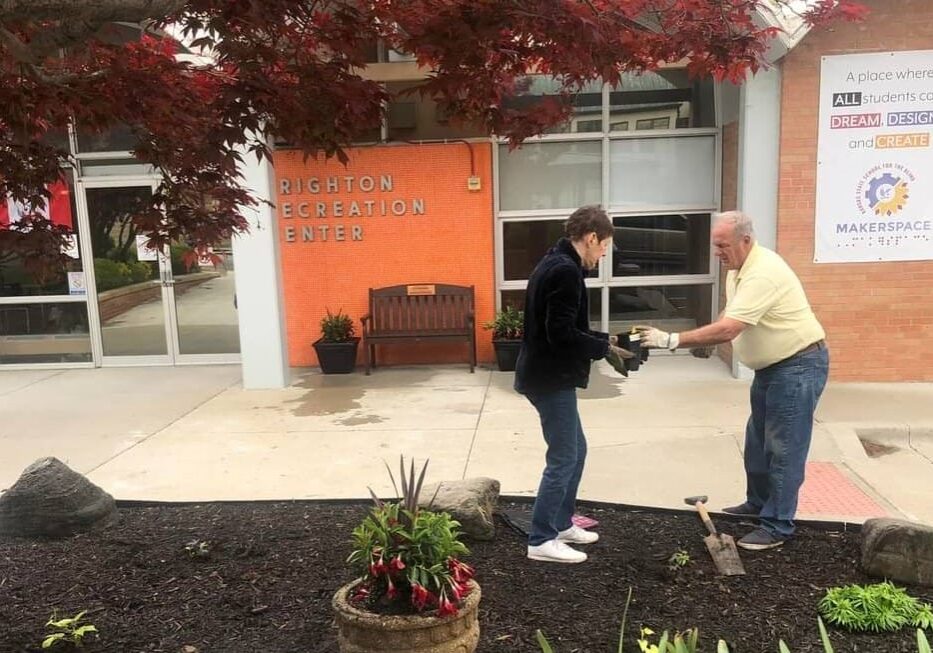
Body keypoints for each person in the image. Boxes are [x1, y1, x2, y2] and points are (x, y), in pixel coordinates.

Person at [638, 211, 829, 551]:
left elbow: (730, 328)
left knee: (784, 448)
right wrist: (701, 341)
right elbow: (728, 317)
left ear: (745, 240)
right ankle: (758, 505)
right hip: (772, 368)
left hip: (798, 365)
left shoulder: (764, 273)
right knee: (757, 441)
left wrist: (673, 340)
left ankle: (778, 525)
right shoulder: (739, 271)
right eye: (715, 245)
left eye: (723, 245)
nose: (718, 252)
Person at [514, 205, 633, 564]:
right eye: (604, 246)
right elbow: (560, 333)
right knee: (564, 456)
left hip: (545, 374)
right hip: (549, 378)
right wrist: (602, 348)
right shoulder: (565, 271)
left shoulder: (556, 260)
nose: (603, 254)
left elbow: (561, 326)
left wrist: (605, 339)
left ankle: (562, 523)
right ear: (591, 237)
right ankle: (541, 539)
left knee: (576, 450)